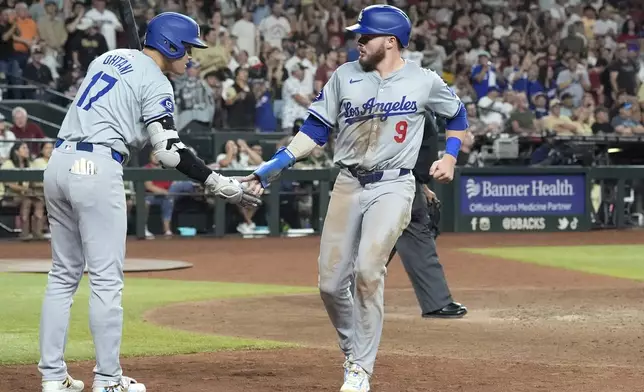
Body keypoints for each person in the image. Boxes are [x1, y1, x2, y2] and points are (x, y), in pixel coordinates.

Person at [241, 5, 468, 392]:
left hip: (394, 186)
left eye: (366, 36)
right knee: (330, 285)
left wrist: (449, 156)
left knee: (367, 271)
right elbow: (314, 129)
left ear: (391, 42)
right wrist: (273, 165)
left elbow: (457, 115)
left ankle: (360, 368)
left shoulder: (423, 80)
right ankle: (354, 351)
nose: (358, 42)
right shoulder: (344, 76)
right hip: (348, 182)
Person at [38, 12, 261, 392]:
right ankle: (108, 380)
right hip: (97, 167)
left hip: (57, 163)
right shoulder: (157, 82)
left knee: (62, 277)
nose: (191, 57)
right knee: (106, 280)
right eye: (188, 48)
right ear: (171, 45)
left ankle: (52, 377)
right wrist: (218, 183)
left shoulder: (105, 59)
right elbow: (170, 153)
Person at [386, 112, 467, 319]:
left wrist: (421, 186)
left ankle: (345, 292)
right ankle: (437, 302)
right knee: (414, 235)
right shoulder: (407, 105)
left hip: (406, 182)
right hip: (392, 181)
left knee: (389, 239)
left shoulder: (417, 105)